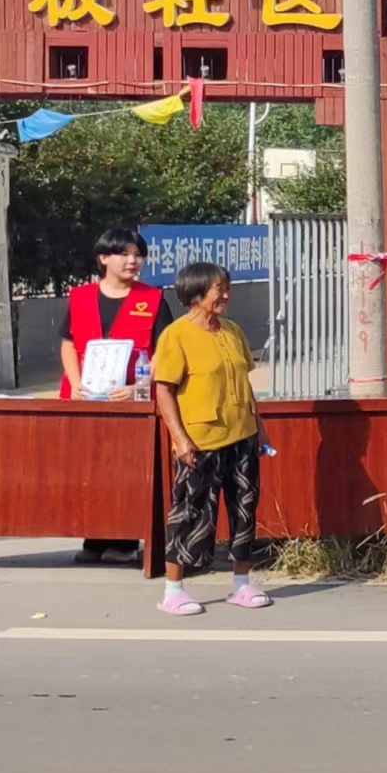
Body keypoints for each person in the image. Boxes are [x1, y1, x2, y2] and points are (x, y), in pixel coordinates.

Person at [150, 262, 272, 615]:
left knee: (244, 509)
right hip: (200, 439)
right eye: (220, 289)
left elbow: (245, 383)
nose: (226, 295)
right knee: (190, 512)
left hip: (241, 434)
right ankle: (174, 590)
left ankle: (242, 584)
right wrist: (179, 438)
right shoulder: (176, 335)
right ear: (196, 293)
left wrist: (259, 428)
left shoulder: (232, 331)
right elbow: (164, 390)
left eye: (227, 288)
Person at [60, 227, 174, 565]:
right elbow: (68, 343)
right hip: (85, 398)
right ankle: (94, 539)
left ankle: (124, 542)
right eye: (124, 254)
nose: (133, 261)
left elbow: (165, 350)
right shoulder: (80, 296)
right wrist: (75, 382)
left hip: (131, 400)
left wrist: (139, 386)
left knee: (126, 469)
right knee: (88, 469)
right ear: (104, 258)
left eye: (138, 255)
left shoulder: (153, 298)